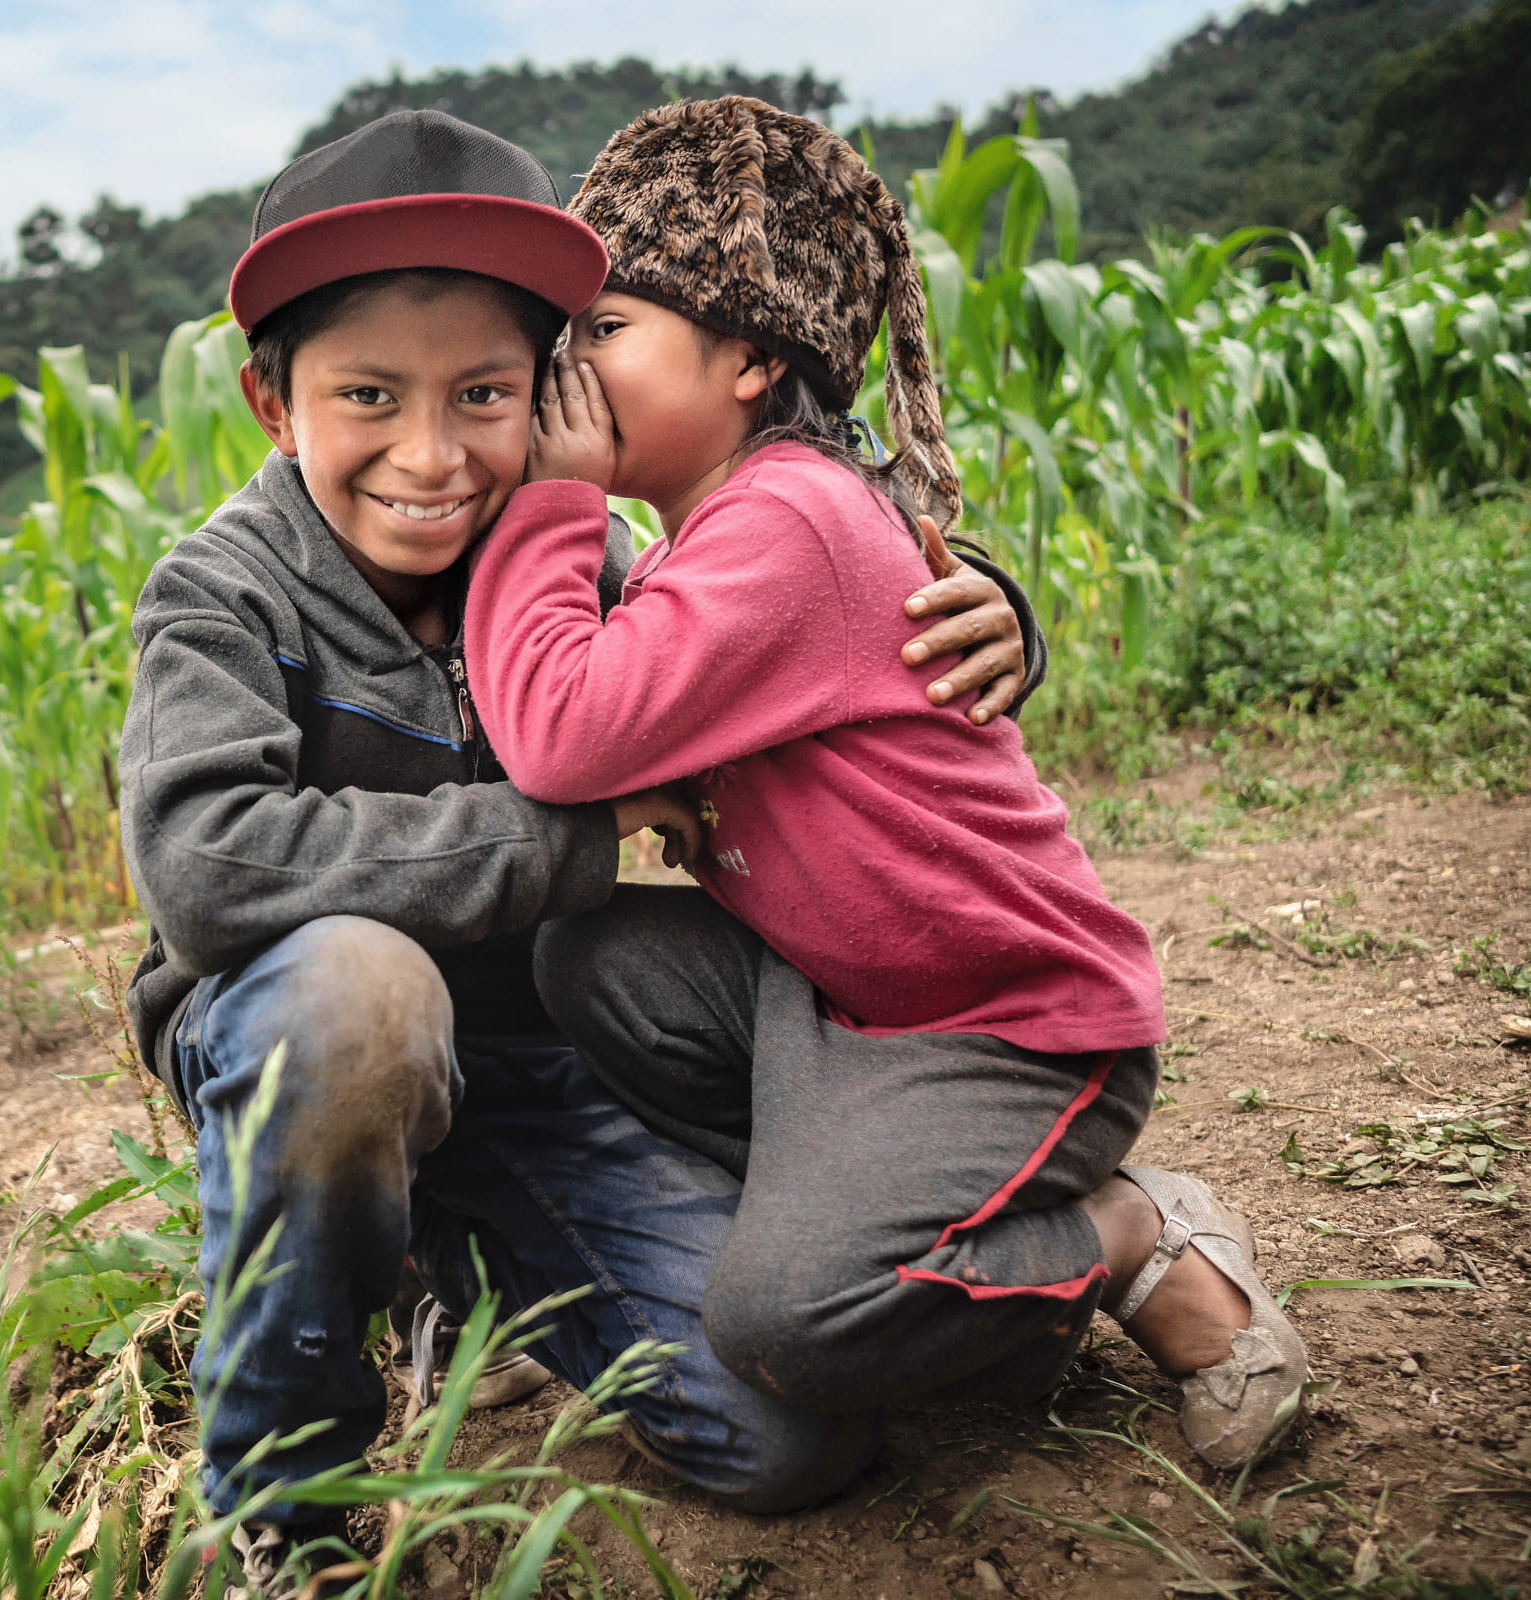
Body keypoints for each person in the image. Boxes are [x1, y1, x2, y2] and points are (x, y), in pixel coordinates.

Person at [117, 108, 1051, 1585]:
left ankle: (468, 1256)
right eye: (369, 395)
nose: (432, 456)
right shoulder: (224, 594)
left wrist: (989, 607)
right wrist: (573, 830)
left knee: (788, 1436)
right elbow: (209, 865)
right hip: (315, 1049)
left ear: (550, 393)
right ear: (271, 403)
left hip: (541, 1071)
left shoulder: (566, 555)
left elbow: (781, 591)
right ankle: (281, 1502)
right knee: (363, 995)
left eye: (485, 395)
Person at [459, 95, 1309, 1485]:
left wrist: (554, 501)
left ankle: (1134, 1234)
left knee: (785, 1321)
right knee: (597, 956)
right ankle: (914, 1241)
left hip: (1008, 1025)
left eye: (605, 330)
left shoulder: (782, 519)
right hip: (847, 1008)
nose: (569, 368)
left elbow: (560, 737)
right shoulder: (720, 530)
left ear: (747, 355)